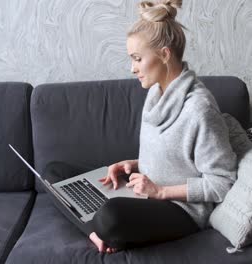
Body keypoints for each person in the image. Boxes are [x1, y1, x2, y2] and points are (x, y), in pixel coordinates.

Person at [46, 0, 237, 254]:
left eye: (137, 59)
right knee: (53, 173)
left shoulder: (200, 109)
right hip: (144, 191)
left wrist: (160, 191)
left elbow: (223, 182)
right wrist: (133, 165)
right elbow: (174, 156)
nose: (132, 68)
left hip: (180, 210)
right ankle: (96, 233)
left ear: (165, 54)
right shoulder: (157, 92)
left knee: (111, 216)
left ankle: (101, 227)